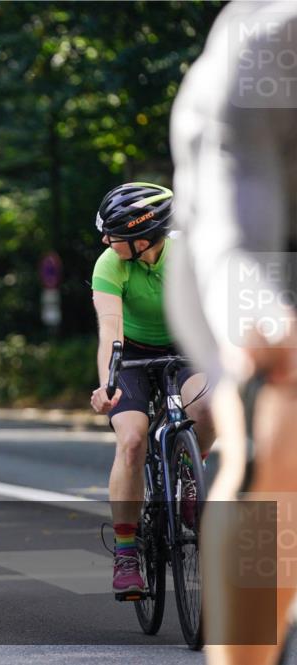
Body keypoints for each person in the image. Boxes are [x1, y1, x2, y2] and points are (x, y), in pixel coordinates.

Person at [167, 3, 297, 663]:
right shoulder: (265, 49)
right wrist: (268, 324)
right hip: (231, 238)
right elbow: (233, 237)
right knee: (278, 413)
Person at [88, 182, 214, 598]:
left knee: (211, 407)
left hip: (187, 347)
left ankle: (188, 475)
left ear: (143, 239)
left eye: (115, 236)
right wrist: (107, 384)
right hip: (133, 356)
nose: (107, 241)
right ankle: (127, 550)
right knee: (132, 439)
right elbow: (110, 331)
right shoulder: (110, 264)